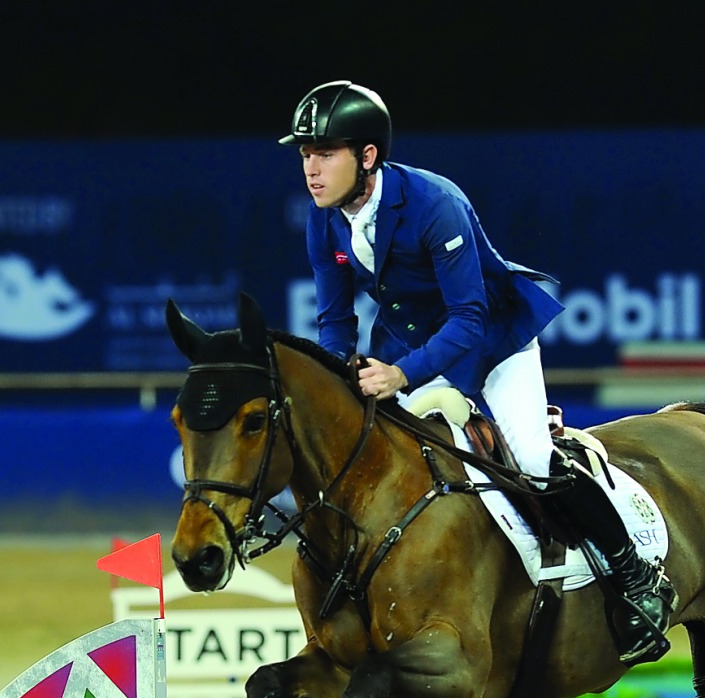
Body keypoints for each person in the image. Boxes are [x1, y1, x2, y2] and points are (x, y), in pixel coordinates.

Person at [279, 80, 675, 666]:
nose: (311, 169)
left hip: (492, 342)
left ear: (367, 157)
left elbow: (469, 317)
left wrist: (400, 376)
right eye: (306, 154)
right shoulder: (325, 221)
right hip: (408, 348)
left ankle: (634, 574)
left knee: (535, 460)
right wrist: (337, 375)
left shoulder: (436, 204)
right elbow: (335, 320)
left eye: (325, 153)